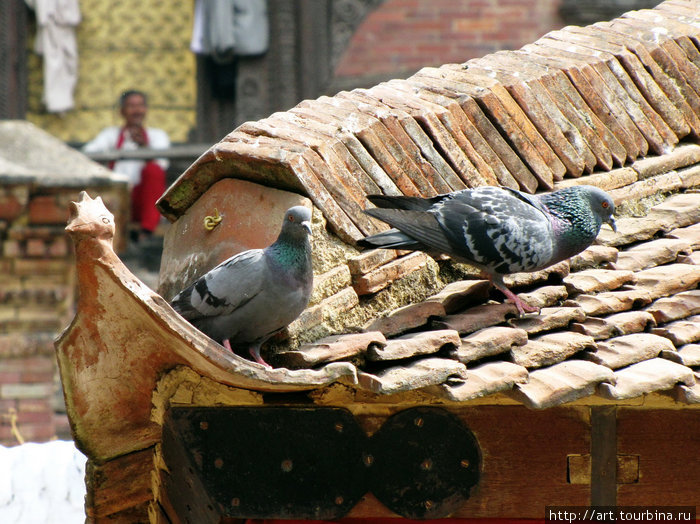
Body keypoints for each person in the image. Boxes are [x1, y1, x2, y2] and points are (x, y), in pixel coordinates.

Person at [83, 90, 170, 240]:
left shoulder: (157, 136)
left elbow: (162, 165)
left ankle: (146, 232)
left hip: (143, 202)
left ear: (146, 110)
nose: (137, 110)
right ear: (122, 111)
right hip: (115, 199)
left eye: (140, 105)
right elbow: (88, 153)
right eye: (131, 106)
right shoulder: (110, 135)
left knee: (153, 170)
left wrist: (144, 147)